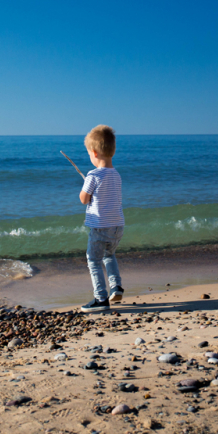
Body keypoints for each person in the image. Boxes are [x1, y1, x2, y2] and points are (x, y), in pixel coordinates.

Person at [78, 125, 125, 313]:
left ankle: (101, 298)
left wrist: (85, 185)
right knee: (109, 255)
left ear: (95, 153)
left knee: (93, 260)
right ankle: (116, 287)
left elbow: (83, 199)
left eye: (89, 153)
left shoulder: (93, 175)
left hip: (100, 227)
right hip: (117, 226)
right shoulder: (117, 175)